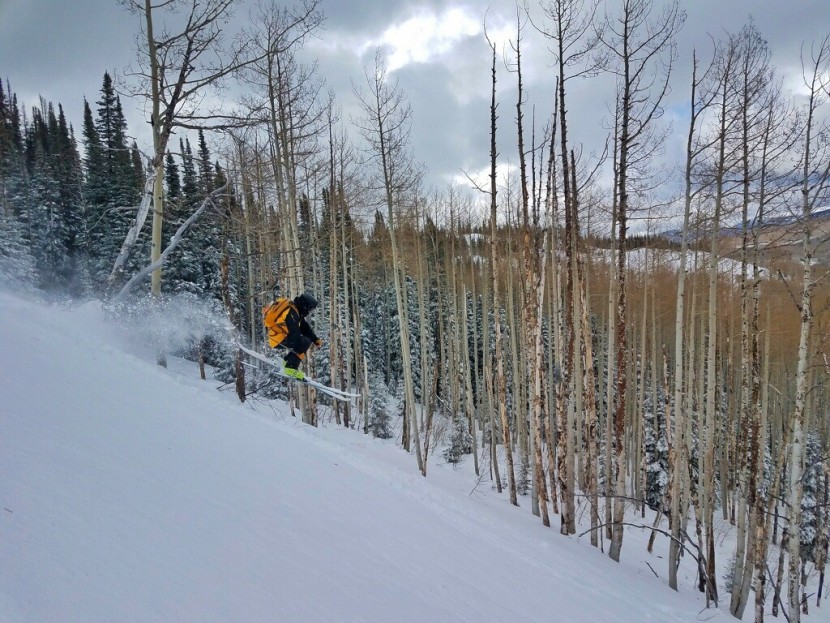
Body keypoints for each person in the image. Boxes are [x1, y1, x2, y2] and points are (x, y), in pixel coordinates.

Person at [263, 292, 322, 380]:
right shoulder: (292, 313)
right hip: (278, 339)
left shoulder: (294, 309)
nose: (309, 312)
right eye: (310, 309)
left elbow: (304, 327)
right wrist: (303, 347)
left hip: (276, 337)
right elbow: (295, 334)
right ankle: (290, 367)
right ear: (305, 305)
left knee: (304, 341)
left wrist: (315, 339)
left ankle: (287, 362)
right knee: (303, 342)